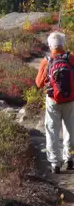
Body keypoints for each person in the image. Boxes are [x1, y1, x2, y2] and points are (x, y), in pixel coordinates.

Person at [35, 31, 74, 174]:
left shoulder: (47, 61)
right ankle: (70, 159)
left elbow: (38, 83)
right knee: (70, 130)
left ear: (50, 45)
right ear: (63, 44)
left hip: (52, 100)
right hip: (70, 100)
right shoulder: (71, 59)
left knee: (52, 131)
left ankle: (55, 163)